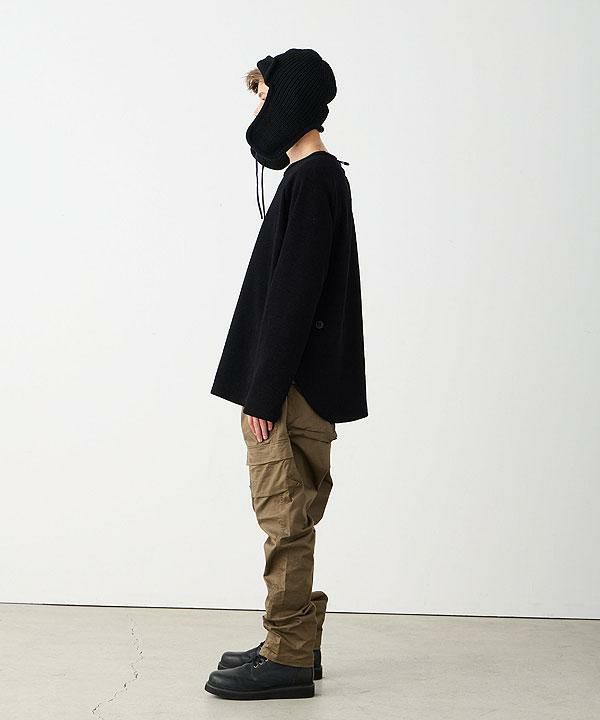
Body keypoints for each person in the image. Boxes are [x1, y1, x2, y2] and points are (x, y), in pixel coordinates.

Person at [205, 48, 368, 701]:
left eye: (266, 96)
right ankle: (296, 640)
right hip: (302, 386)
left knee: (284, 517)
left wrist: (264, 393)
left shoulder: (312, 180)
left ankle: (288, 655)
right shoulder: (316, 179)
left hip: (290, 390)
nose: (259, 110)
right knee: (291, 515)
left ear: (291, 100)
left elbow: (293, 298)